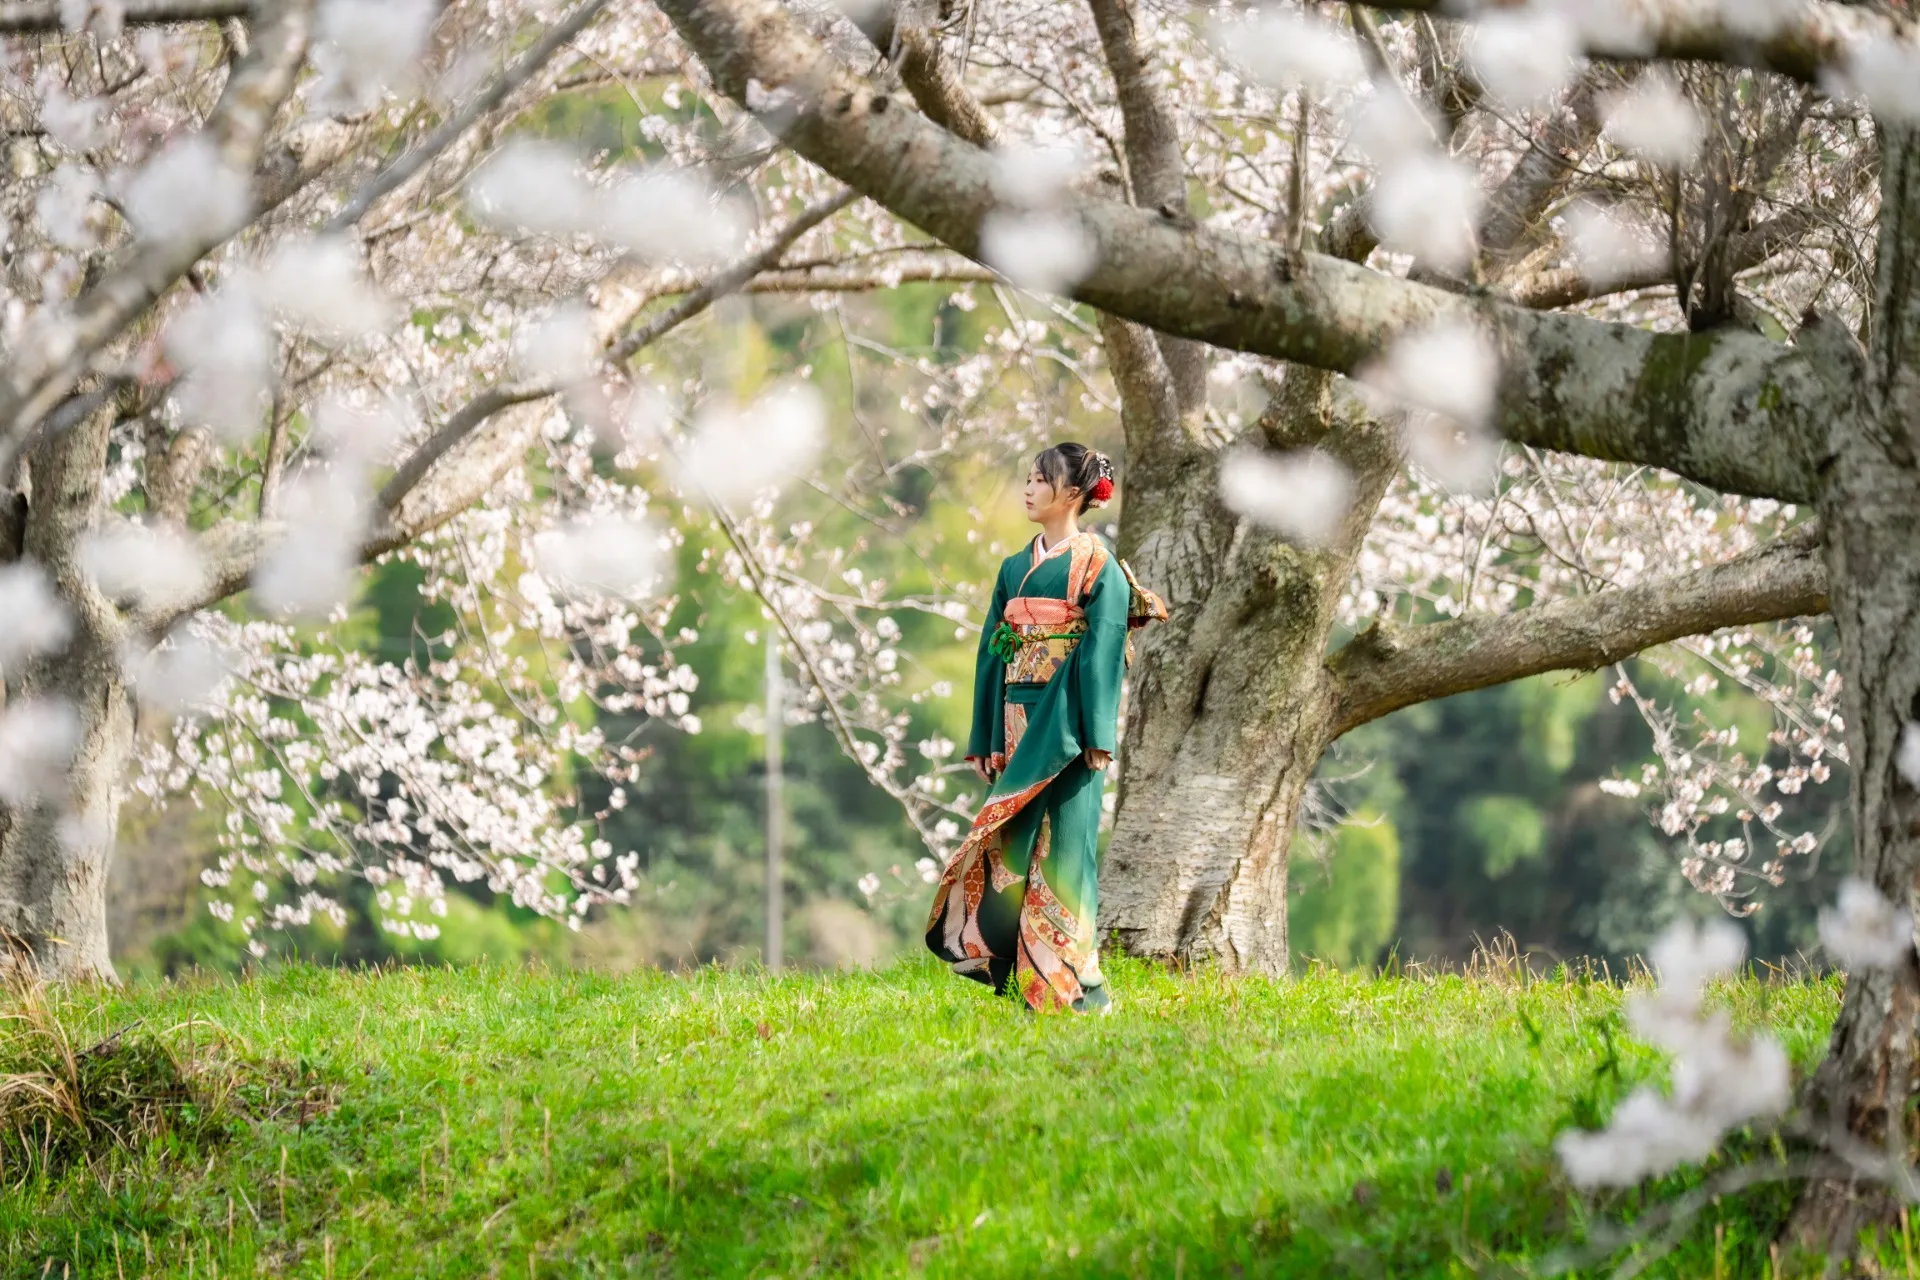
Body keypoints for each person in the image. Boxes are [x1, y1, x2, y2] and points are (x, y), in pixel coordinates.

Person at [924, 442, 1136, 1014]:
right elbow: (993, 652)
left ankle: (1074, 987)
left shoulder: (1099, 565)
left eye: (1040, 479)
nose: (1028, 488)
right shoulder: (1014, 568)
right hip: (1018, 725)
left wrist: (1096, 735)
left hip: (1067, 729)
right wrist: (986, 737)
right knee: (1017, 848)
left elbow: (1103, 649)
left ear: (1071, 493)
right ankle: (1024, 980)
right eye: (1027, 478)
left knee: (1067, 851)